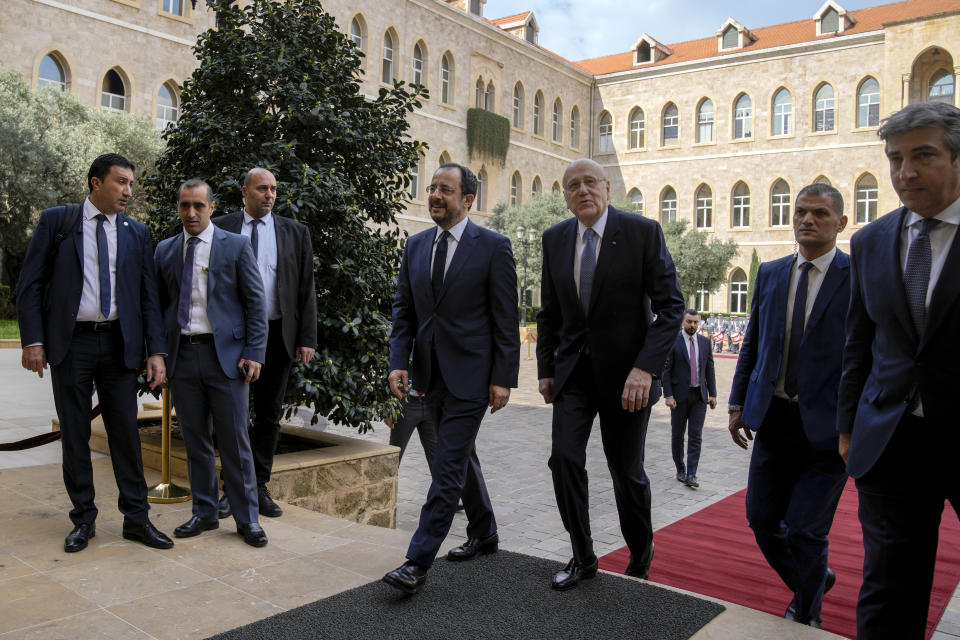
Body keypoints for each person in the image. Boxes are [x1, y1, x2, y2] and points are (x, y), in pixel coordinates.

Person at [837, 102, 960, 640]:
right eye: (895, 159)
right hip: (891, 438)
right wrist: (847, 427)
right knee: (889, 586)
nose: (905, 172)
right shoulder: (871, 241)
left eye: (923, 155)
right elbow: (859, 343)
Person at [536, 158, 684, 590]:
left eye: (590, 183)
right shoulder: (555, 238)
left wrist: (645, 367)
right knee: (563, 459)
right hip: (573, 377)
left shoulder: (641, 233)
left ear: (607, 189)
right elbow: (550, 312)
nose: (582, 191)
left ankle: (640, 553)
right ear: (564, 196)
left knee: (626, 472)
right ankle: (583, 555)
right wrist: (546, 368)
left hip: (628, 381)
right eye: (572, 186)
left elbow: (671, 306)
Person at [15, 153, 173, 553]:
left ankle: (137, 520)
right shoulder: (59, 222)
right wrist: (33, 341)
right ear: (95, 183)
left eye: (131, 184)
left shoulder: (136, 232)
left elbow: (148, 297)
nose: (128, 191)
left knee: (126, 435)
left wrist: (156, 351)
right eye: (121, 182)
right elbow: (30, 285)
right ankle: (83, 520)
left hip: (120, 345)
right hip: (73, 344)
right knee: (75, 433)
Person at [381, 163, 519, 594]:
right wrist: (396, 361)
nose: (436, 195)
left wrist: (503, 378)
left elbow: (505, 319)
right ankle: (485, 532)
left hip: (472, 377)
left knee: (446, 465)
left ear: (468, 200)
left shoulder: (493, 247)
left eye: (447, 189)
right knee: (461, 459)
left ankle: (417, 561)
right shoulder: (416, 245)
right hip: (427, 373)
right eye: (432, 188)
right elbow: (404, 310)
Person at [728, 183, 850, 628]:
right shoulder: (772, 273)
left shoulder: (856, 278)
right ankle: (813, 579)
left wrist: (857, 424)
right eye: (801, 211)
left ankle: (808, 611)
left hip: (829, 429)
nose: (807, 220)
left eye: (819, 213)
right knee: (761, 518)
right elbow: (753, 343)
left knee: (805, 528)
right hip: (774, 420)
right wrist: (737, 403)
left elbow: (865, 355)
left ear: (841, 223)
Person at [154, 179, 269, 548]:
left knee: (235, 442)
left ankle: (247, 518)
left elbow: (256, 303)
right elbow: (157, 308)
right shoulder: (166, 251)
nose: (191, 213)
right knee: (195, 441)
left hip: (229, 360)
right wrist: (157, 353)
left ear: (212, 207)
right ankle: (204, 514)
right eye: (184, 205)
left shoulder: (235, 246)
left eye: (198, 206)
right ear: (178, 208)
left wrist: (254, 352)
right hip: (183, 357)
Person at [212, 168, 317, 520]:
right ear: (245, 191)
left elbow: (306, 289)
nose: (269, 195)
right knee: (233, 416)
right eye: (262, 189)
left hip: (278, 336)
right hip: (234, 338)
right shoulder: (222, 226)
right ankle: (231, 488)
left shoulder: (294, 232)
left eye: (273, 189)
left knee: (269, 416)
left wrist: (307, 338)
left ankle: (258, 486)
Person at [663, 309, 717, 490]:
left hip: (699, 396)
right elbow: (666, 371)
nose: (692, 325)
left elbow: (709, 368)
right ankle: (681, 469)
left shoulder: (705, 342)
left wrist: (713, 394)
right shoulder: (674, 342)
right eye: (689, 322)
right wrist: (668, 395)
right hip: (679, 397)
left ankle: (692, 473)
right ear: (683, 322)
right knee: (678, 434)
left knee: (696, 436)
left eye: (695, 322)